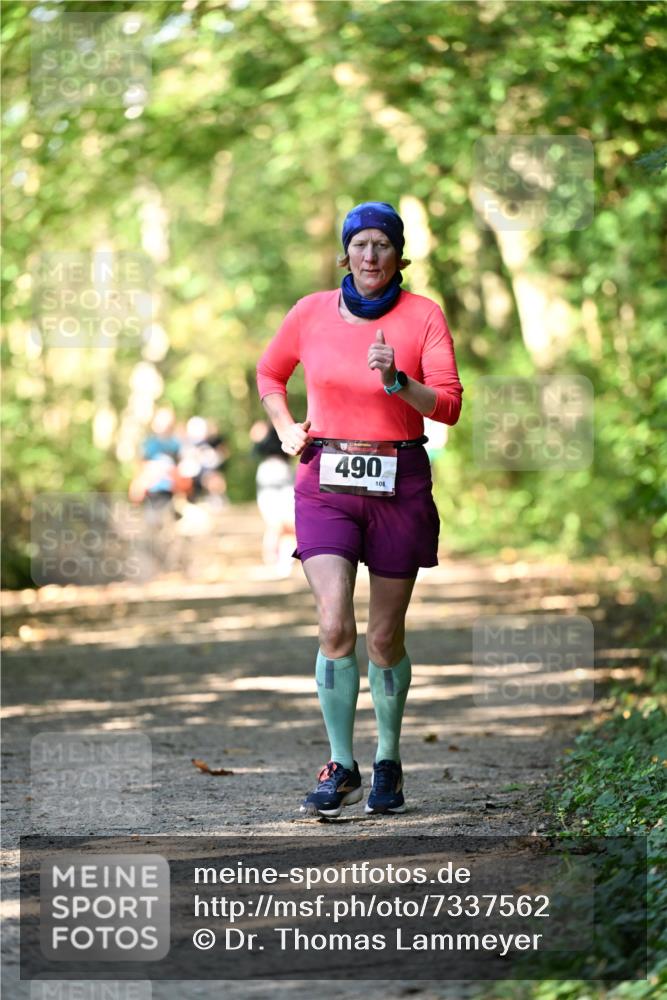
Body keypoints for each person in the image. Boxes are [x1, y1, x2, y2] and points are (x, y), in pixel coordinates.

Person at [256, 201, 464, 818]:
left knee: (383, 637)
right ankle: (341, 764)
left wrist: (398, 380)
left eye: (383, 245)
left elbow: (449, 405)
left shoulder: (423, 316)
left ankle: (388, 761)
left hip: (400, 480)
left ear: (399, 255)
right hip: (326, 479)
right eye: (360, 244)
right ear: (345, 253)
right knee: (333, 625)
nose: (371, 256)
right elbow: (270, 373)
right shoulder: (310, 312)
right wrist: (285, 425)